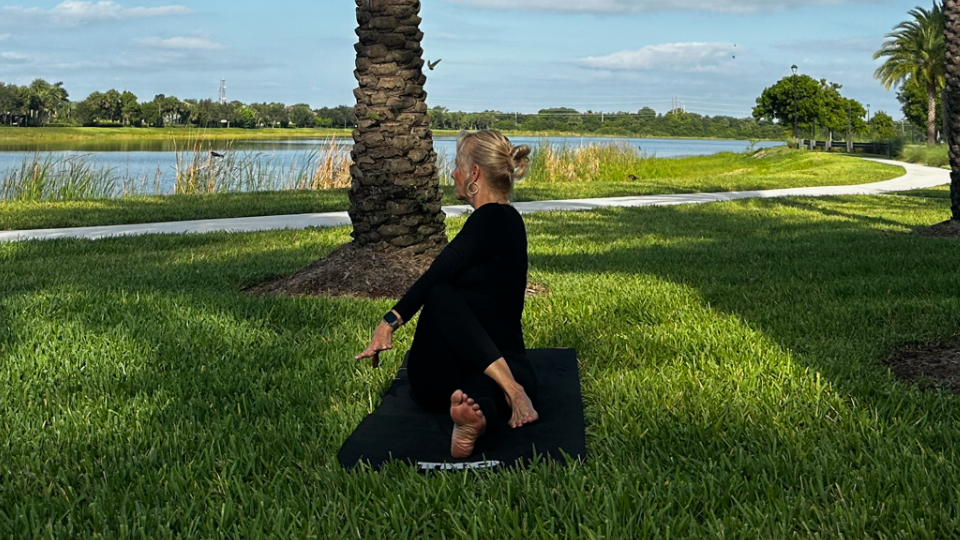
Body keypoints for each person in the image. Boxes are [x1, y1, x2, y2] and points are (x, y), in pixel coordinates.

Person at [356, 130, 539, 459]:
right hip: (507, 365)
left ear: (475, 175)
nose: (452, 173)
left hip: (444, 379)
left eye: (457, 165)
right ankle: (493, 405)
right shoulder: (506, 221)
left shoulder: (492, 217)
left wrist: (389, 322)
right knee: (481, 389)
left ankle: (493, 404)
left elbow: (439, 271)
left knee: (441, 292)